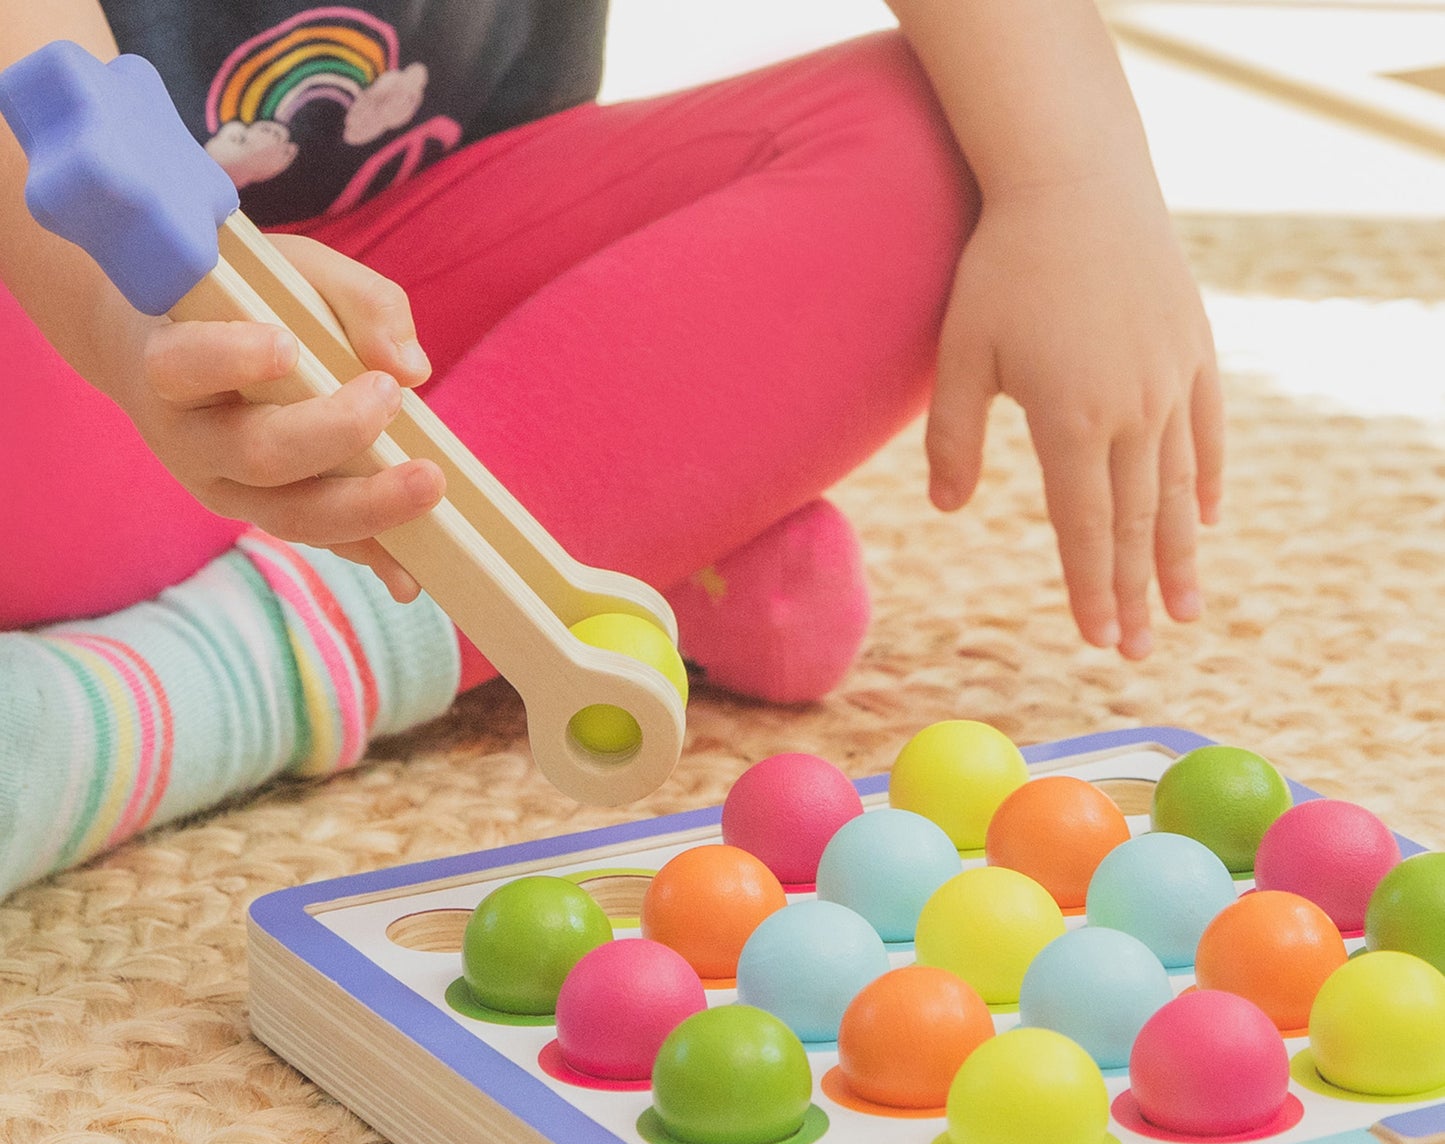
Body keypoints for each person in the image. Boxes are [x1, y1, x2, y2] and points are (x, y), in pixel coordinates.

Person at [0, 0, 1223, 901]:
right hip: (84, 284)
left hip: (421, 268)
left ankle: (270, 644)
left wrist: (1073, 181)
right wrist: (143, 324)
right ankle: (593, 526)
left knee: (942, 135)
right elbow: (39, 95)